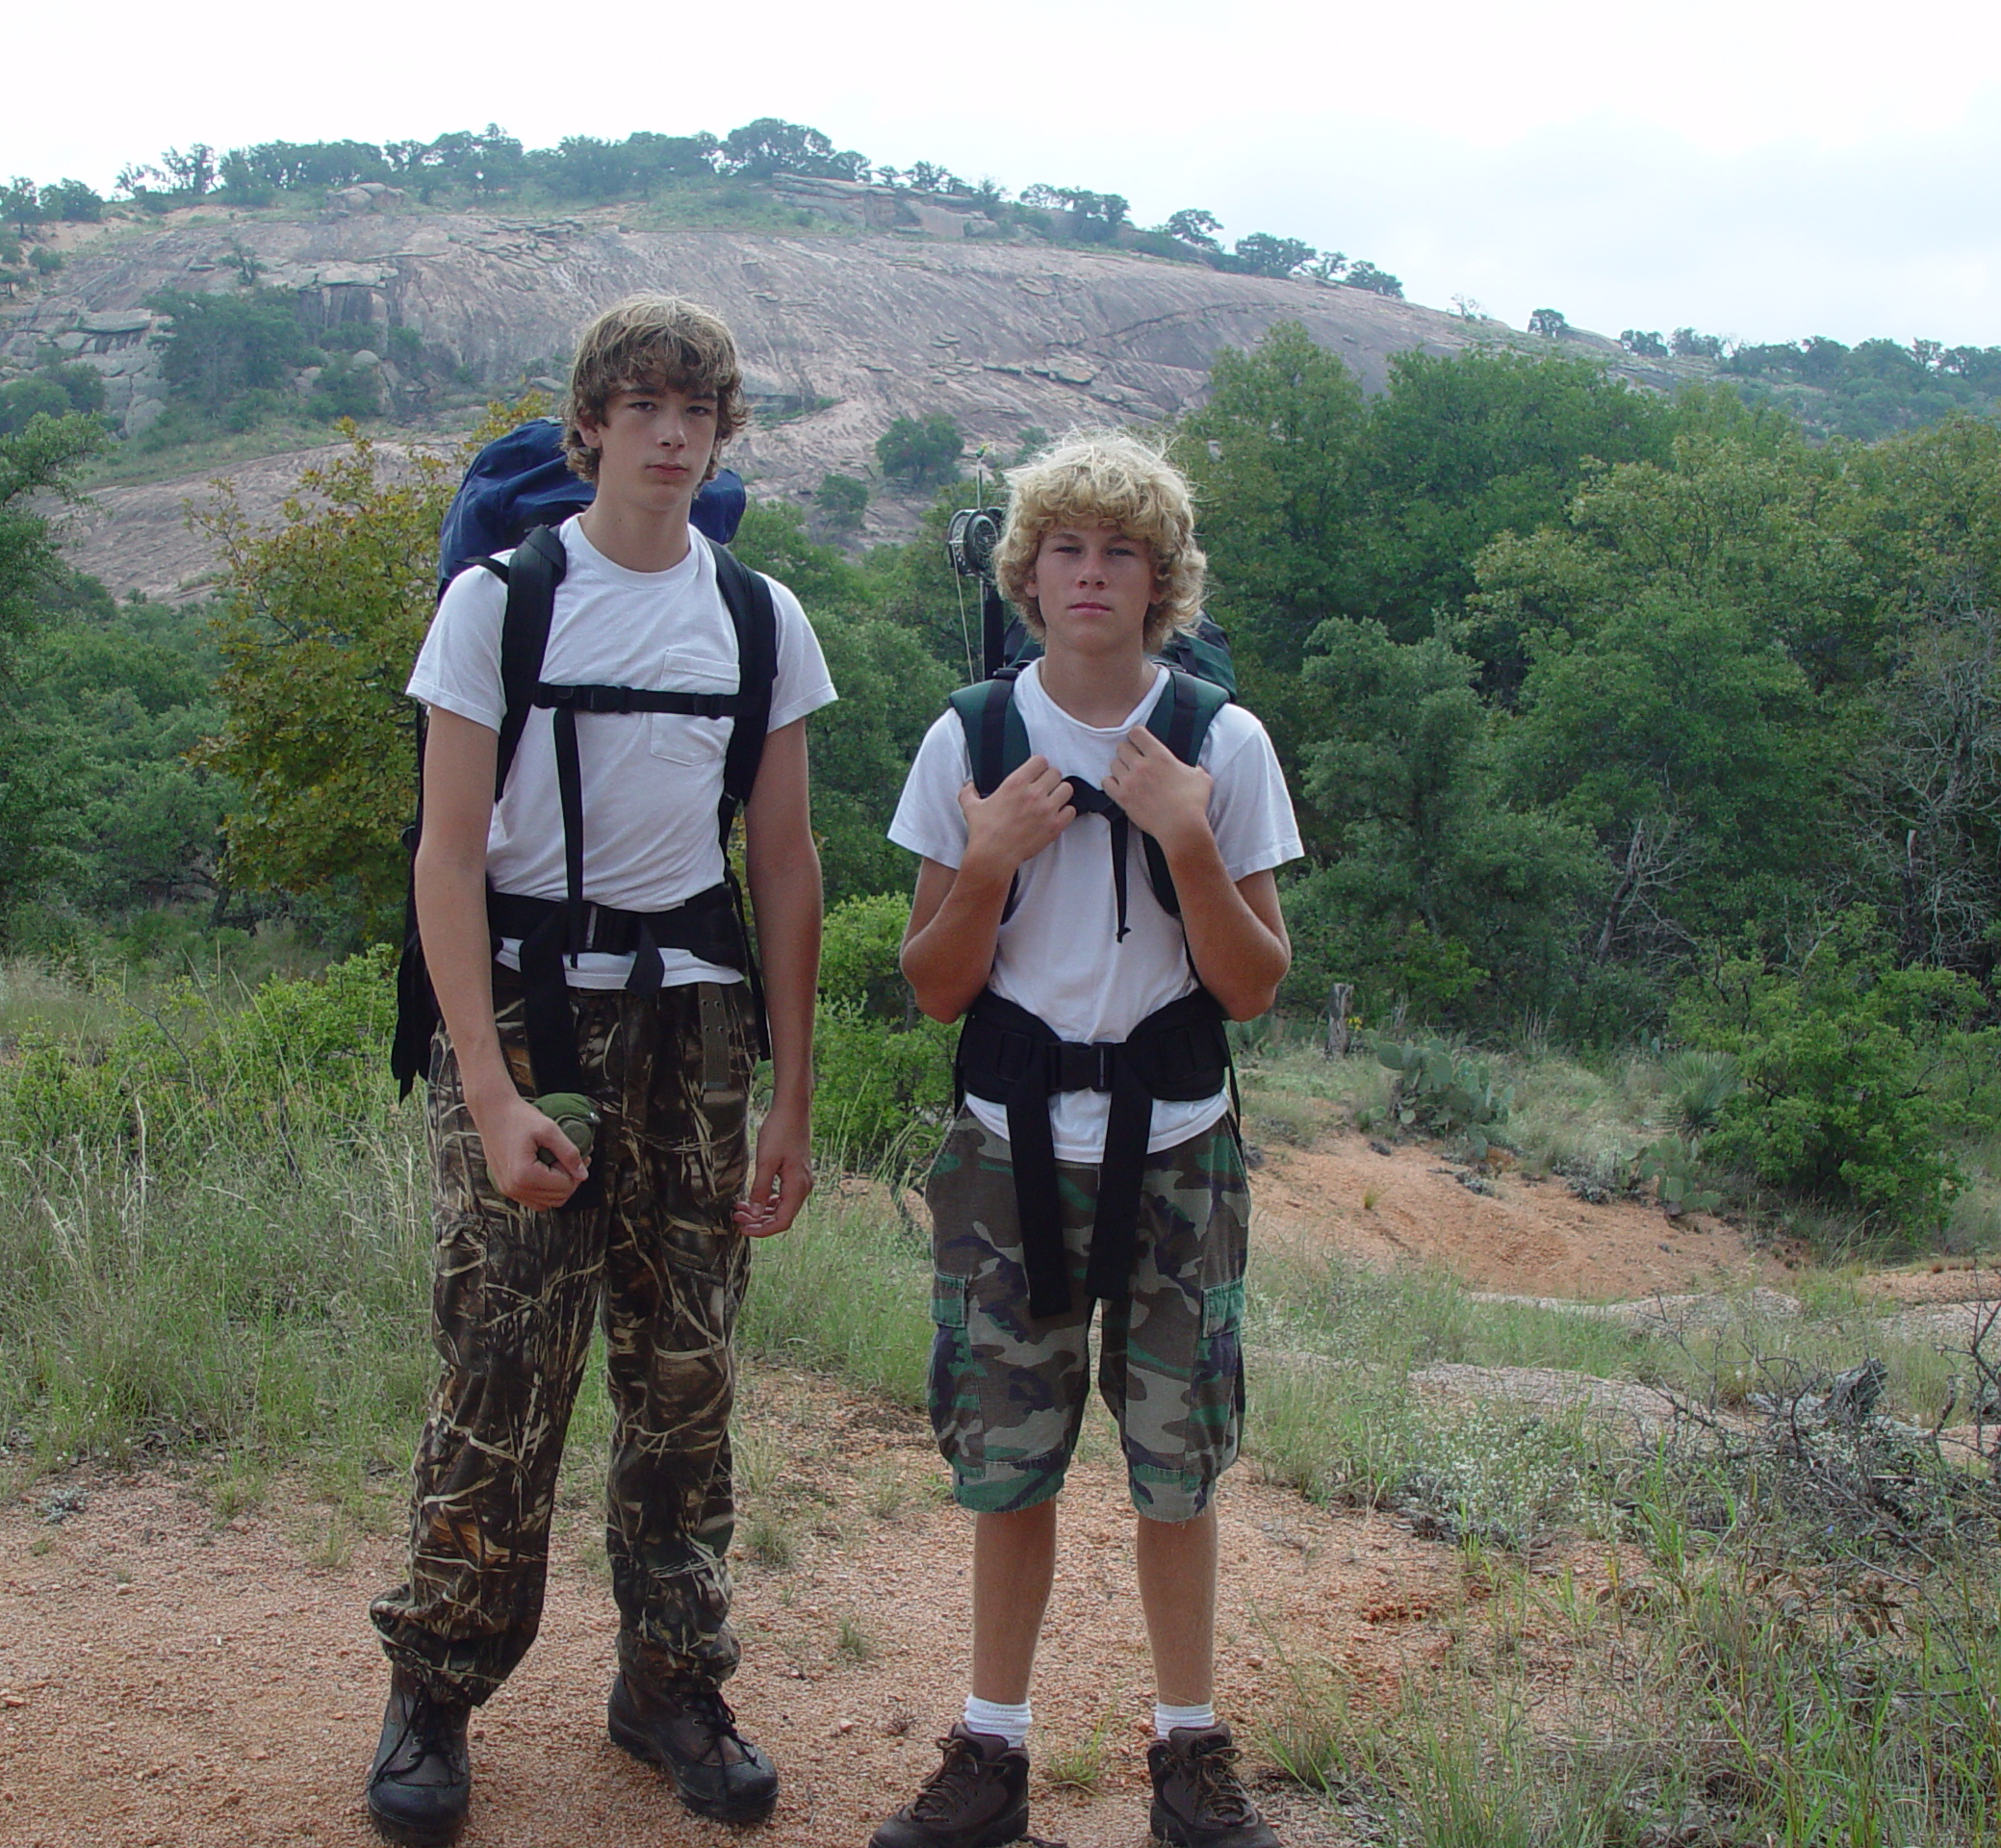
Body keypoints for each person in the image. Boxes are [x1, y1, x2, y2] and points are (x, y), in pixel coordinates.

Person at [364, 295, 831, 1844]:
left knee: (684, 1369)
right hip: (530, 1011)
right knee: (503, 1363)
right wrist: (488, 1092)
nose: (670, 430)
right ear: (591, 425)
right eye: (640, 403)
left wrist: (795, 1096)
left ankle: (672, 1683)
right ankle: (434, 1689)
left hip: (696, 1022)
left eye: (696, 406)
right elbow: (445, 850)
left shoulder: (761, 619)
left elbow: (783, 859)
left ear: (722, 430)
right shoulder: (501, 603)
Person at [873, 430, 1300, 1848]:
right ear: (1028, 574)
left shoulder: (1221, 744)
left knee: (1177, 1462)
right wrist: (991, 855)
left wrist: (1184, 836)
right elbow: (936, 984)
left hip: (1177, 1143)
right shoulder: (973, 738)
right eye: (1068, 549)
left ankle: (1190, 1754)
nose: (1094, 574)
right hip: (1007, 1147)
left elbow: (1250, 984)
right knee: (1011, 1460)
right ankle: (991, 1752)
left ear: (1164, 581)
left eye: (1124, 552)